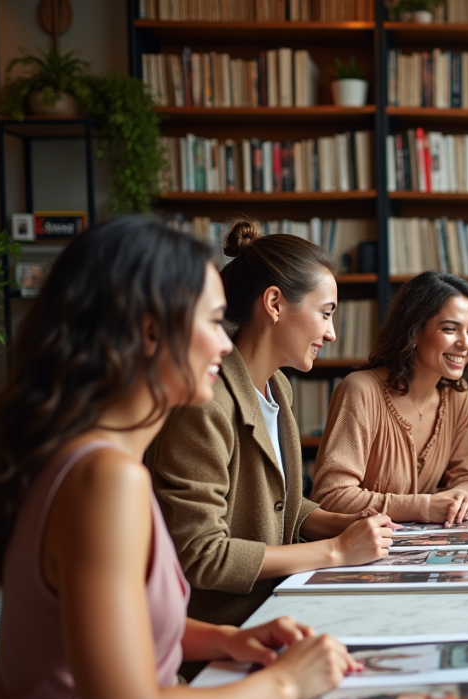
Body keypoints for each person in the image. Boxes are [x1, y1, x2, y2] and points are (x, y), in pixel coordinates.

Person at [0, 217, 357, 699]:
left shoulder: (99, 463)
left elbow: (116, 627)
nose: (224, 341)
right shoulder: (104, 481)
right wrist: (286, 683)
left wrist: (225, 641)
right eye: (212, 322)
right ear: (148, 332)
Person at [147, 217, 396, 627]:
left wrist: (342, 524)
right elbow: (202, 555)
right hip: (226, 627)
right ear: (275, 303)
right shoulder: (206, 405)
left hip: (279, 606)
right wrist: (336, 551)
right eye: (325, 313)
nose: (331, 334)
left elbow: (277, 509)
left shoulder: (277, 387)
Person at [312, 271, 468, 523]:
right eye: (450, 329)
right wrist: (423, 507)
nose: (465, 343)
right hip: (358, 552)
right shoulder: (360, 391)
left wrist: (465, 496)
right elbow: (331, 496)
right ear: (414, 331)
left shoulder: (458, 395)